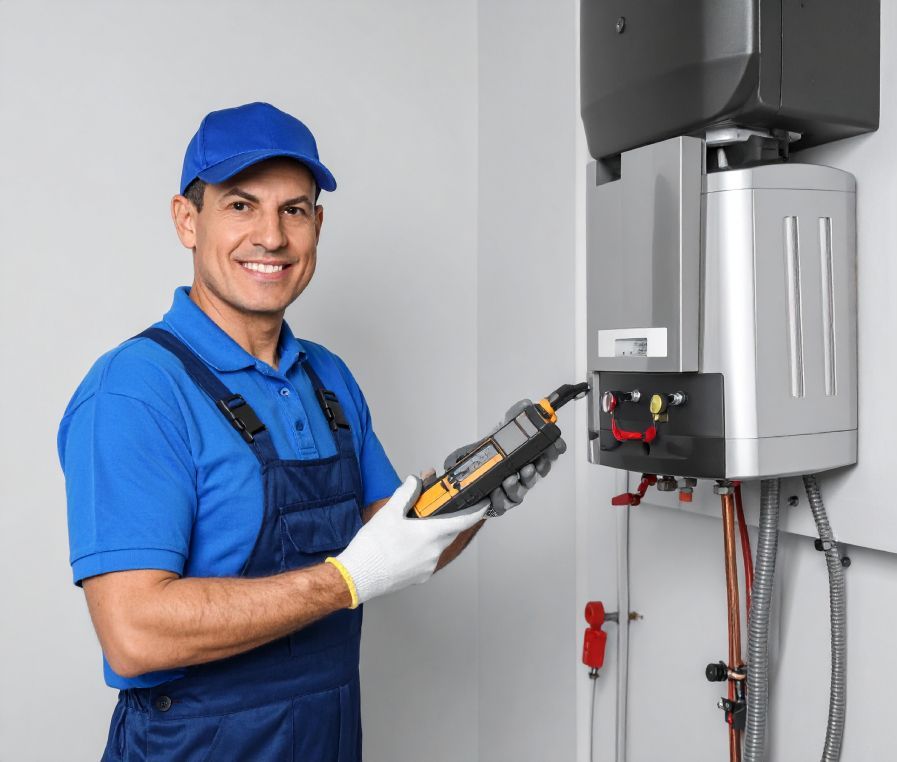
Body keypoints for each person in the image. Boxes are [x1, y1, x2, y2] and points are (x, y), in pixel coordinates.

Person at [57, 102, 564, 761]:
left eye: (293, 210)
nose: (271, 236)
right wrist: (346, 579)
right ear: (188, 219)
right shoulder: (135, 391)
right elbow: (134, 632)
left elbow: (399, 544)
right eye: (241, 205)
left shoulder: (327, 378)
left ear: (317, 224)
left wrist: (473, 498)